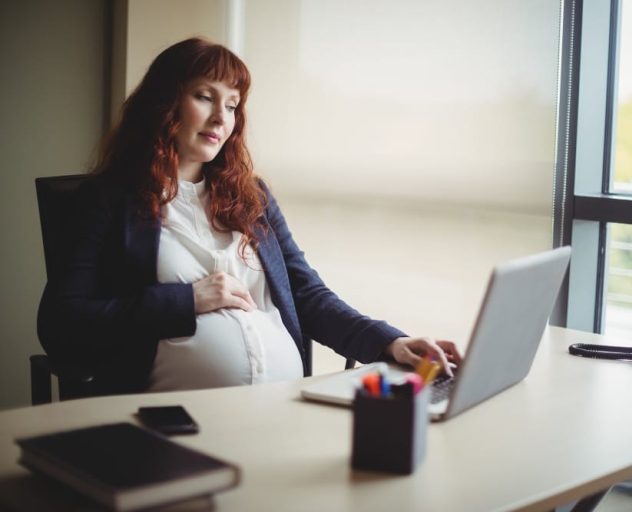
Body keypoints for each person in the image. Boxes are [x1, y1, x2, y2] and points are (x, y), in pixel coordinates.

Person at [37, 37, 461, 395]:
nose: (221, 118)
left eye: (233, 105)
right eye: (205, 97)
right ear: (165, 102)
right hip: (170, 421)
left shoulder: (252, 197)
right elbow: (61, 324)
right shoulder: (108, 200)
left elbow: (308, 294)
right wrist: (187, 301)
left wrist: (392, 342)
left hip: (283, 410)